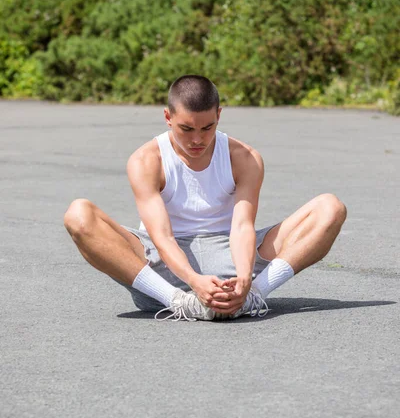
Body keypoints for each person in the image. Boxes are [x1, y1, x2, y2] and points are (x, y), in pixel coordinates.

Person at [64, 75, 347, 322]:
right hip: (165, 271)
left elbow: (242, 226)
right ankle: (179, 302)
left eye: (207, 127)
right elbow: (162, 238)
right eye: (186, 129)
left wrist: (247, 279)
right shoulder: (146, 160)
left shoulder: (244, 157)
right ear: (168, 117)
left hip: (231, 259)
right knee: (78, 214)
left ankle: (256, 296)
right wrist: (192, 280)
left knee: (330, 208)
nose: (197, 139)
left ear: (219, 116)